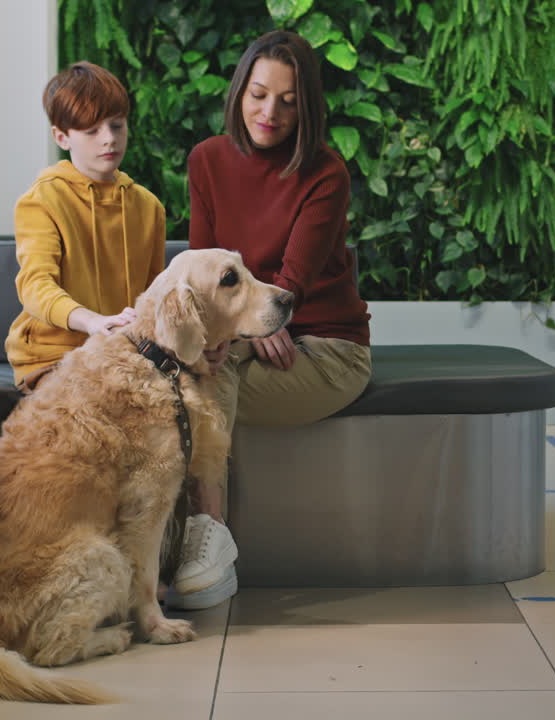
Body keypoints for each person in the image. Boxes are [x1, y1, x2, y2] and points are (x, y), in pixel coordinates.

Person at [169, 30, 373, 609]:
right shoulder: (207, 160)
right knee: (194, 372)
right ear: (239, 92)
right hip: (247, 334)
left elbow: (291, 283)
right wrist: (243, 335)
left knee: (209, 380)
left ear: (306, 106)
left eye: (287, 101)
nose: (269, 112)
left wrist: (255, 332)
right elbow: (206, 274)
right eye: (259, 94)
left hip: (326, 346)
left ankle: (204, 540)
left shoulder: (325, 172)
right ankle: (170, 540)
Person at [5, 61, 166, 392]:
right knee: (102, 401)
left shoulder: (148, 207)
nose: (108, 139)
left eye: (117, 125)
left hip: (123, 352)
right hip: (53, 357)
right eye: (92, 131)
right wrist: (92, 321)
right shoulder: (41, 201)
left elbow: (153, 295)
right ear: (61, 137)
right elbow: (36, 286)